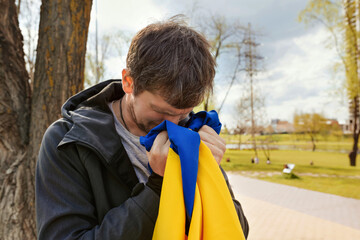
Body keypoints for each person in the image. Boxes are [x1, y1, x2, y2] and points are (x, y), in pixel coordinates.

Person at [35, 17, 249, 239]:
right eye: (162, 112)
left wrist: (208, 175)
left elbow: (235, 230)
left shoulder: (192, 131)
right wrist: (157, 187)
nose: (174, 124)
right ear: (129, 82)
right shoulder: (67, 141)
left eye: (183, 112)